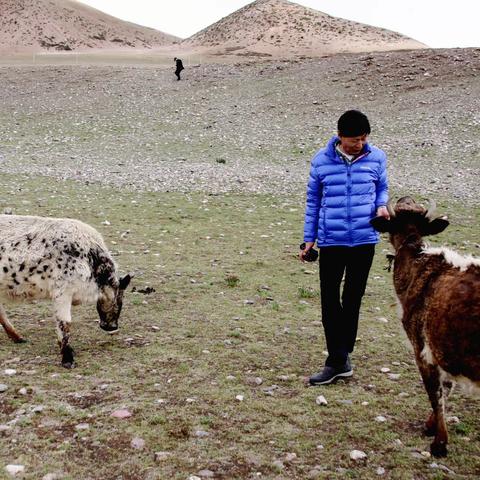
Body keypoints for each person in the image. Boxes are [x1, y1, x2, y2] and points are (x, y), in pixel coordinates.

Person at [300, 109, 389, 386]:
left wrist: (382, 204)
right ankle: (338, 359)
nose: (359, 144)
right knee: (329, 299)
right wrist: (309, 239)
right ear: (340, 136)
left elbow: (382, 187)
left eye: (363, 138)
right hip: (332, 240)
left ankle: (340, 357)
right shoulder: (321, 161)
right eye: (354, 139)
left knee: (353, 298)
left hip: (364, 240)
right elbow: (313, 202)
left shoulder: (377, 158)